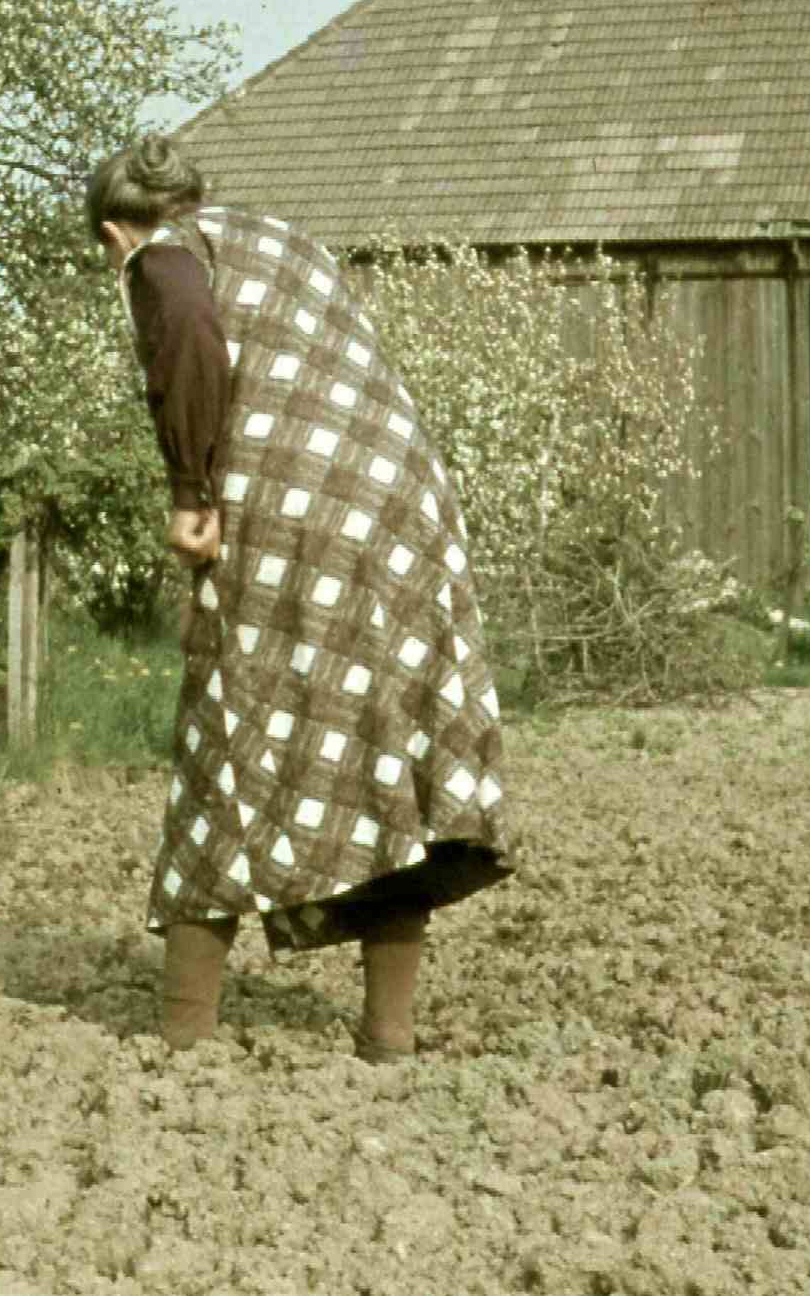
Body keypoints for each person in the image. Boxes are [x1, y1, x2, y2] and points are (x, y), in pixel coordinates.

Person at [87, 134, 518, 1061]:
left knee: (224, 738)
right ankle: (388, 1036)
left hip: (297, 521)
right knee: (386, 752)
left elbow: (194, 340)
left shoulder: (161, 260)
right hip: (404, 509)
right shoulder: (282, 238)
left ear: (116, 234)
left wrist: (192, 492)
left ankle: (183, 1038)